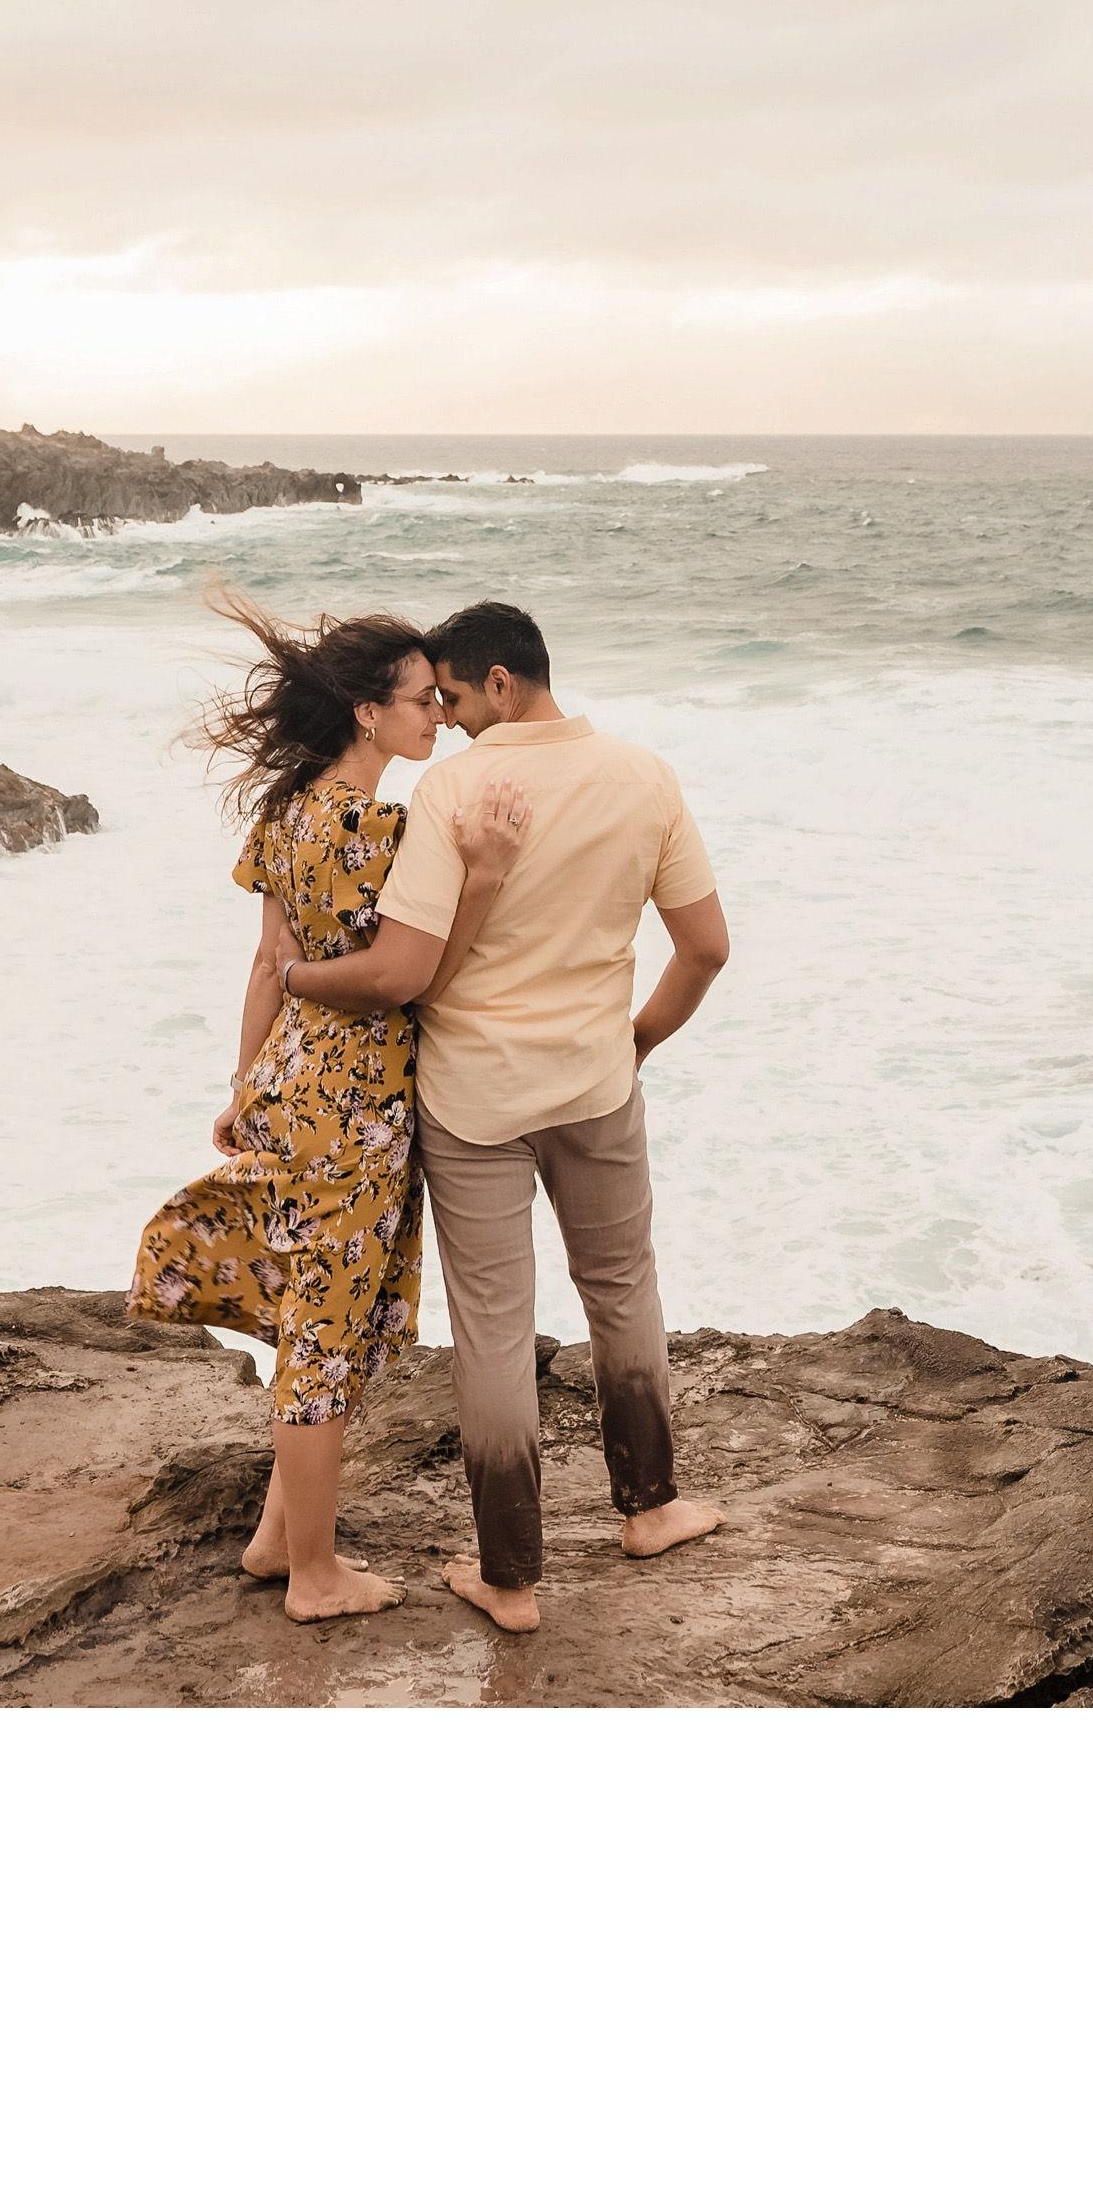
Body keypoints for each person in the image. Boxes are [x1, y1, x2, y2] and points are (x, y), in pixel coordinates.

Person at [275, 598, 729, 1634]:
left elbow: (410, 964)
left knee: (491, 1329)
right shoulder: (642, 775)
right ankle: (650, 1507)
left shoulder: (455, 789)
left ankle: (510, 1579)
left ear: (499, 682)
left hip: (474, 1097)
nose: (445, 713)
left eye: (450, 694)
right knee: (622, 1286)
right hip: (593, 1083)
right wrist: (637, 1038)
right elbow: (704, 948)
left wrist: (291, 973)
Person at [128, 592, 530, 1624]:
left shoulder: (290, 809)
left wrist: (241, 1082)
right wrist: (482, 872)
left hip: (290, 1081)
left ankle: (275, 1540)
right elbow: (413, 971)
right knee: (325, 1331)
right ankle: (313, 1573)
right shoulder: (383, 829)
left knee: (318, 1311)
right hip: (355, 1103)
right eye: (416, 700)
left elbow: (269, 958)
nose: (435, 716)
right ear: (364, 711)